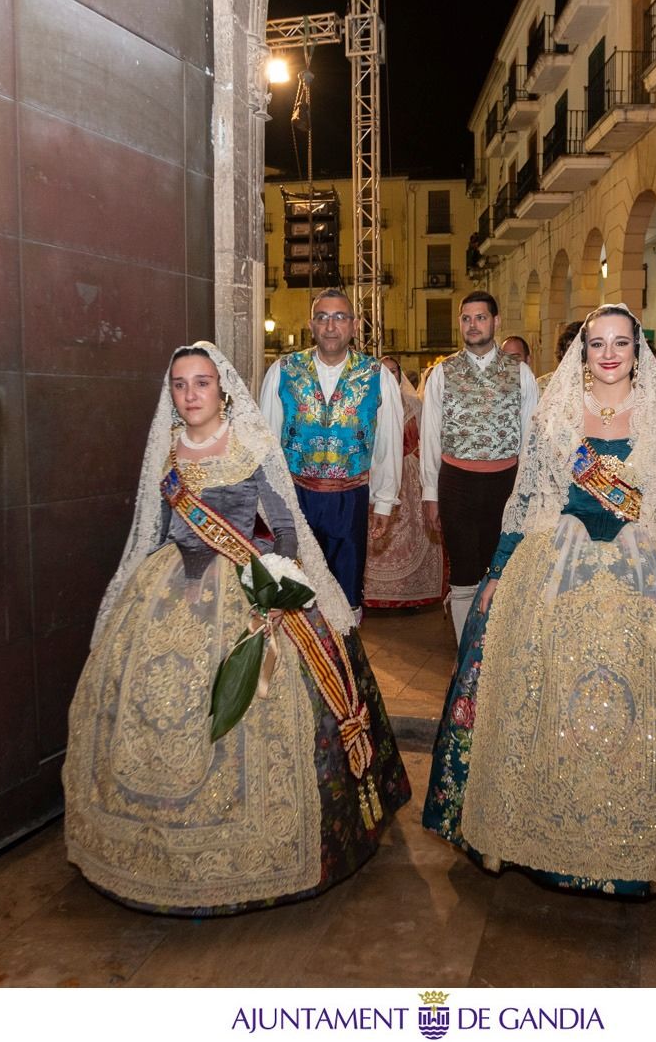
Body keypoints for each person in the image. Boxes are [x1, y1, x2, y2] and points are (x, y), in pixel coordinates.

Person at [422, 304, 656, 892]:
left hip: (646, 564)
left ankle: (646, 833)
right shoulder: (558, 417)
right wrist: (497, 571)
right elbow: (527, 504)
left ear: (637, 350)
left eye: (622, 343)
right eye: (599, 343)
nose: (610, 354)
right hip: (558, 564)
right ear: (584, 351)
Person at [65, 343, 411, 915]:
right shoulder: (167, 453)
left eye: (202, 383)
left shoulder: (250, 444)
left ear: (222, 390)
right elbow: (154, 529)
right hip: (170, 582)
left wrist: (275, 591)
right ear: (171, 394)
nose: (191, 393)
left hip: (245, 581)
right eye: (180, 384)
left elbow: (285, 527)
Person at [258, 287, 403, 608]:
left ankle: (342, 656)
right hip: (295, 500)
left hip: (350, 501)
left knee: (345, 593)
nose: (330, 326)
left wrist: (383, 502)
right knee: (296, 591)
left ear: (354, 325)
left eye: (339, 317)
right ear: (311, 325)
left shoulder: (377, 376)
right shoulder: (283, 372)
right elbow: (266, 443)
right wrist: (269, 505)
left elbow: (388, 445)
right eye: (322, 318)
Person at [420, 290, 539, 643]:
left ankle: (495, 651)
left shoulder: (521, 374)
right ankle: (463, 652)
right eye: (467, 318)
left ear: (496, 322)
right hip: (456, 482)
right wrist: (430, 494)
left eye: (481, 317)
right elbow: (430, 437)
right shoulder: (442, 373)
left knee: (502, 569)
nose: (473, 325)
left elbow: (532, 439)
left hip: (506, 483)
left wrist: (528, 493)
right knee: (463, 573)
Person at [364, 357, 446, 610]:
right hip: (378, 473)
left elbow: (428, 437)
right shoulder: (367, 404)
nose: (389, 375)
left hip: (409, 473)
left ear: (399, 375)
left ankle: (413, 592)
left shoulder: (414, 404)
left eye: (393, 371)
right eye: (384, 371)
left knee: (413, 532)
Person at [538, 320, 583, 392]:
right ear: (562, 353)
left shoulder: (601, 385)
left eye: (582, 348)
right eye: (571, 348)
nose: (577, 354)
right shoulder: (542, 385)